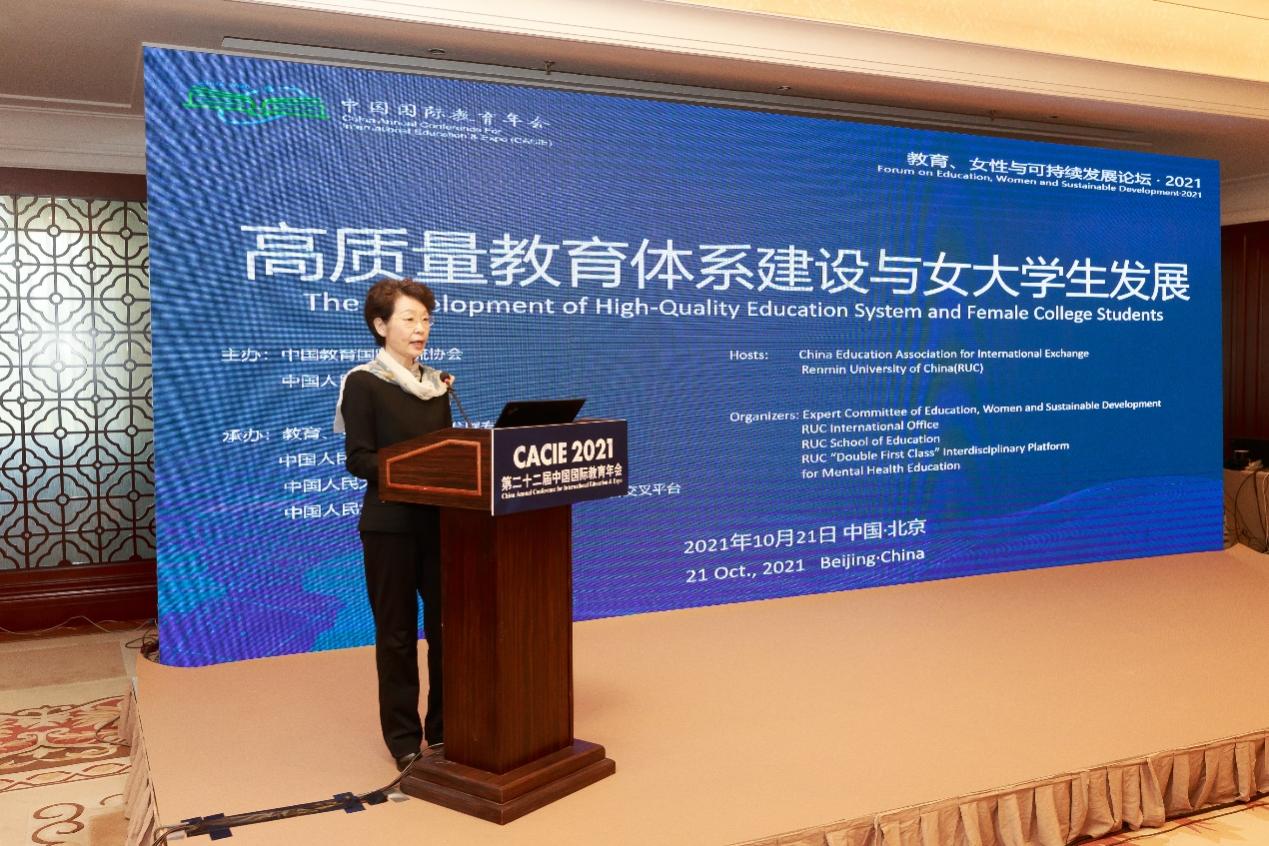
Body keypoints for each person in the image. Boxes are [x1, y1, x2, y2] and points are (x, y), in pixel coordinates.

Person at [334, 278, 453, 771]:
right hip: (390, 525)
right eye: (409, 319)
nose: (420, 328)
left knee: (448, 629)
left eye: (425, 319)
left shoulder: (438, 385)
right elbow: (359, 458)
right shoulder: (363, 383)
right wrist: (414, 468)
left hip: (442, 524)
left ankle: (446, 729)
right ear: (381, 326)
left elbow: (450, 454)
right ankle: (403, 738)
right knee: (397, 634)